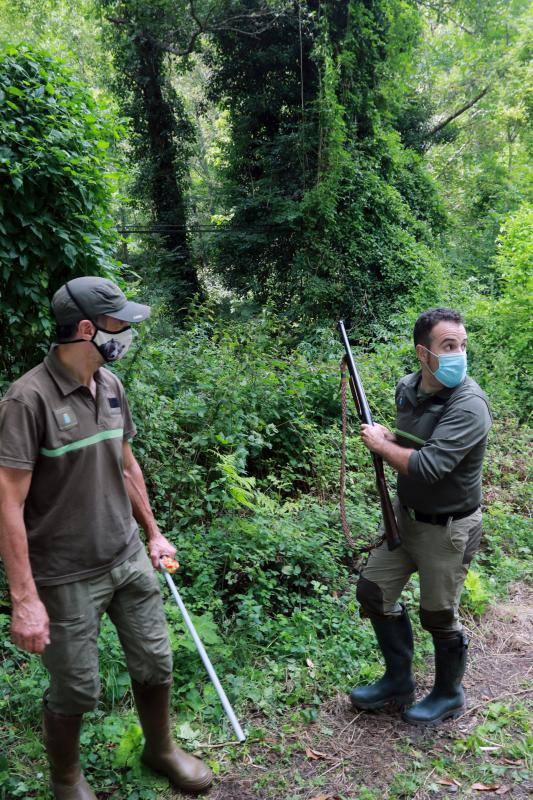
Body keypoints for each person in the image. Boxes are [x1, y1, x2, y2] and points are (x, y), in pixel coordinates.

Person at [0, 277, 213, 798]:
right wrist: (24, 599)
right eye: (119, 323)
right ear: (86, 329)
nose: (128, 330)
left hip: (127, 555)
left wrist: (154, 533)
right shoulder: (27, 400)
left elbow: (126, 465)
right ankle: (67, 779)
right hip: (66, 574)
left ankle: (160, 748)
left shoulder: (111, 384)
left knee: (156, 661)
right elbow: (7, 503)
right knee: (76, 688)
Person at [349, 308, 492, 725]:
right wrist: (390, 438)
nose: (459, 354)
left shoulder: (470, 405)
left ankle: (449, 694)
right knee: (373, 592)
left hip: (448, 530)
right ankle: (398, 681)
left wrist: (382, 446)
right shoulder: (407, 388)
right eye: (448, 346)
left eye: (462, 345)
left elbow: (429, 467)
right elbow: (413, 443)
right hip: (405, 520)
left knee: (439, 615)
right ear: (422, 353)